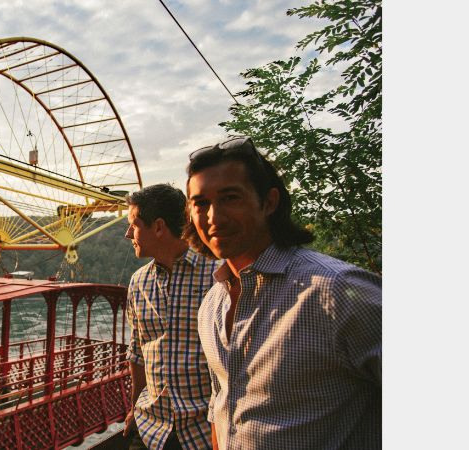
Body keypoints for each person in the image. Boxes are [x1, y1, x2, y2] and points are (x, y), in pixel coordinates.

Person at [184, 136, 381, 450]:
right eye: (201, 203)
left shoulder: (335, 292)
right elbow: (221, 406)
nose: (214, 217)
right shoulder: (212, 304)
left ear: (269, 202)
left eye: (230, 198)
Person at [122, 183, 218, 450]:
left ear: (159, 227)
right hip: (150, 428)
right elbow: (138, 353)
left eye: (135, 224)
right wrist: (132, 409)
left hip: (204, 431)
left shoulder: (218, 275)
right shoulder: (138, 282)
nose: (128, 233)